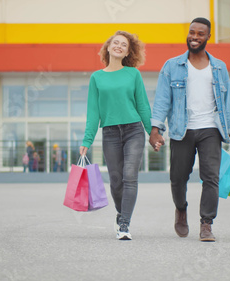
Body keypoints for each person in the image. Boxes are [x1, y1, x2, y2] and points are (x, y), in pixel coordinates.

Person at [149, 17, 230, 242]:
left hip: (211, 129)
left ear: (208, 37)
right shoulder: (172, 65)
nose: (194, 37)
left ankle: (206, 224)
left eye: (200, 34)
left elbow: (227, 102)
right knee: (178, 177)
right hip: (182, 129)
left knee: (211, 177)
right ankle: (181, 209)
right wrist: (155, 129)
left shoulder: (219, 67)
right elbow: (162, 99)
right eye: (192, 32)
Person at [79, 30, 151, 240]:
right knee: (116, 180)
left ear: (128, 52)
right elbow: (94, 112)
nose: (119, 46)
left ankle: (125, 225)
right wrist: (87, 140)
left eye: (124, 45)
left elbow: (143, 106)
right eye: (116, 43)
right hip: (110, 133)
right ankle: (121, 213)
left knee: (130, 176)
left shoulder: (133, 74)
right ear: (108, 47)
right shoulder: (97, 77)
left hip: (133, 130)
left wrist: (152, 132)